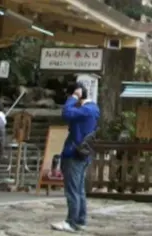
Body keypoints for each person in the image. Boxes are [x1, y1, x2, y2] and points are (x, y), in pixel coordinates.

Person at [51, 83, 99, 233]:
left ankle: (71, 222)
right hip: (83, 154)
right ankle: (80, 219)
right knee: (79, 189)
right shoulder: (94, 109)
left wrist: (73, 97)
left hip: (74, 153)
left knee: (72, 190)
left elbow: (66, 113)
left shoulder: (85, 110)